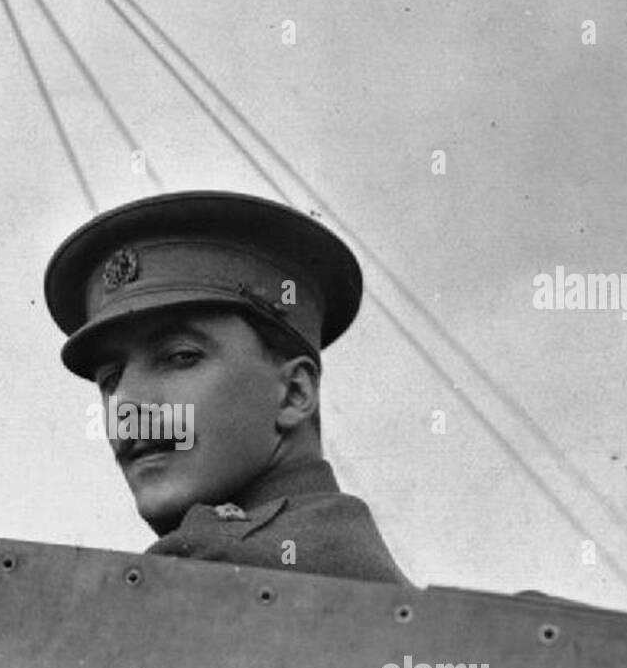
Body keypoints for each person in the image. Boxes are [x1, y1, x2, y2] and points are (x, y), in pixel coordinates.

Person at [43, 190, 410, 585]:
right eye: (111, 379)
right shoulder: (341, 554)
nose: (126, 405)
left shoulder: (216, 567)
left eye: (180, 357)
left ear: (293, 393)